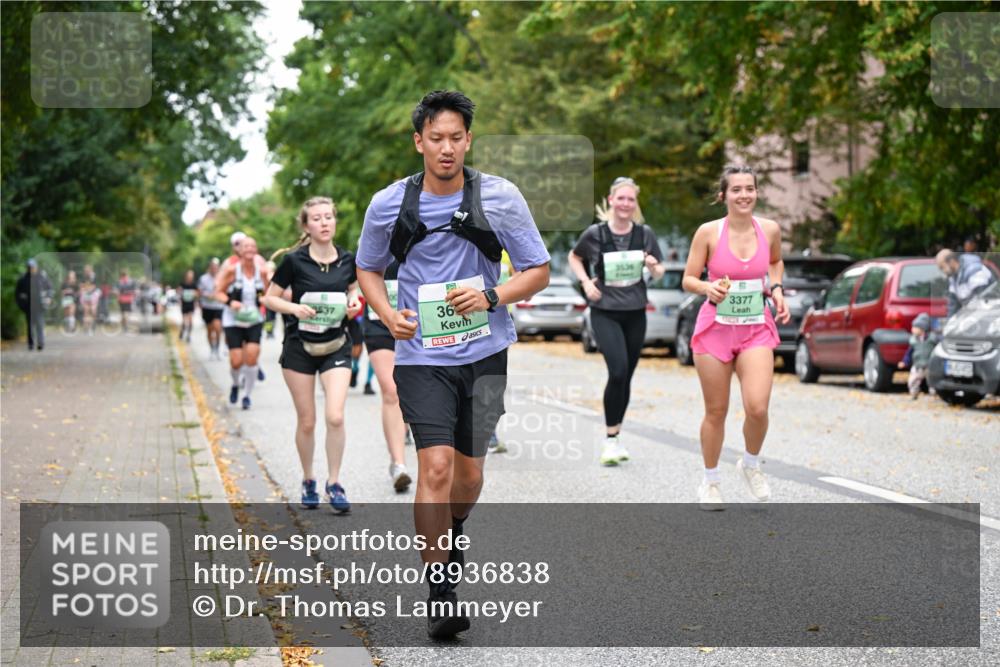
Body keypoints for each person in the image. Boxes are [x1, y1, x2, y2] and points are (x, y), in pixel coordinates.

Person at [356, 90, 550, 639]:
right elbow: (368, 267)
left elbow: (538, 269)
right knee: (435, 469)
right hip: (421, 357)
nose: (446, 148)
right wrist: (388, 313)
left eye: (456, 138)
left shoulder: (500, 197)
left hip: (485, 353)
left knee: (468, 475)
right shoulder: (389, 204)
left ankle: (454, 532)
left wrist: (492, 297)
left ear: (469, 140)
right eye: (435, 138)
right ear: (419, 142)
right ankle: (441, 591)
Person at [682, 165, 790, 511]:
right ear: (723, 195)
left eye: (750, 189)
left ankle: (751, 462)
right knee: (717, 411)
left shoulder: (770, 229)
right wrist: (706, 286)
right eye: (736, 189)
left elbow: (775, 262)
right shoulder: (709, 233)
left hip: (755, 326)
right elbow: (688, 278)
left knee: (757, 407)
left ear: (757, 193)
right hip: (715, 328)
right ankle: (710, 481)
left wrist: (776, 289)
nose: (744, 195)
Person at [262, 197, 361, 514]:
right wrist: (295, 307)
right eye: (316, 218)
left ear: (335, 221)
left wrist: (355, 303)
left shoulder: (348, 259)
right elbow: (270, 299)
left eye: (329, 217)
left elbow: (356, 290)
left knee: (335, 415)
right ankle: (308, 480)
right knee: (307, 421)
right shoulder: (293, 261)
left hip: (336, 344)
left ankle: (334, 483)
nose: (324, 222)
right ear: (306, 226)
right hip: (299, 347)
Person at [567, 177, 666, 466]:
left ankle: (616, 436)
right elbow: (575, 257)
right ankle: (610, 440)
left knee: (626, 376)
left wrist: (652, 266)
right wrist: (585, 282)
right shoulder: (595, 234)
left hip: (635, 312)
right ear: (611, 200)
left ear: (635, 204)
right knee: (618, 369)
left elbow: (659, 271)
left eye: (631, 200)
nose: (625, 204)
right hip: (605, 311)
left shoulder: (644, 234)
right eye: (621, 198)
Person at [360, 259, 412, 492]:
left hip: (416, 322)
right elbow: (357, 277)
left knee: (412, 393)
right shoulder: (374, 237)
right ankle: (398, 464)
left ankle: (407, 424)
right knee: (392, 391)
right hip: (379, 323)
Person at [215, 236, 269, 410]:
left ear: (256, 250)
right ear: (239, 250)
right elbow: (218, 292)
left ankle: (246, 395)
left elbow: (269, 292)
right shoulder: (232, 270)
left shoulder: (261, 271)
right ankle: (235, 383)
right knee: (236, 361)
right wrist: (231, 303)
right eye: (246, 246)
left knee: (252, 356)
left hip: (254, 319)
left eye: (253, 246)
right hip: (233, 320)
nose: (249, 249)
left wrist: (268, 280)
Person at [935, 249, 996, 317]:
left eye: (942, 267)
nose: (942, 272)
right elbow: (953, 305)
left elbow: (983, 301)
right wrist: (949, 324)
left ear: (951, 262)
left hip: (991, 314)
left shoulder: (974, 271)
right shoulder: (953, 277)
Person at [898, 312, 938, 400]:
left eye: (915, 327)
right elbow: (909, 353)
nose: (912, 329)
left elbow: (938, 349)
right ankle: (914, 393)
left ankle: (935, 394)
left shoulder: (932, 339)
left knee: (932, 381)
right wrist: (904, 362)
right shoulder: (913, 340)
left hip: (929, 365)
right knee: (913, 380)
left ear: (922, 329)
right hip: (918, 365)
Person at [15, 259, 52, 351]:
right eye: (29, 267)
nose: (31, 269)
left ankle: (40, 343)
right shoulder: (23, 279)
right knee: (30, 326)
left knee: (40, 324)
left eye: (32, 267)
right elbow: (18, 294)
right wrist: (21, 304)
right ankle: (31, 344)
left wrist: (49, 298)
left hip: (40, 306)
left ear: (36, 267)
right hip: (28, 306)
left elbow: (50, 288)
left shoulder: (42, 277)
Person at [198, 259, 225, 359]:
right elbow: (199, 292)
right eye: (213, 267)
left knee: (218, 328)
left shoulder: (222, 278)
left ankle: (217, 348)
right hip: (207, 307)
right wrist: (207, 295)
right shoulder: (203, 278)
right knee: (210, 330)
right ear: (210, 267)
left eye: (216, 267)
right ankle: (212, 349)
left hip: (218, 307)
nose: (214, 269)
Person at [80, 264, 101, 335]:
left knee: (93, 310)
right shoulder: (84, 277)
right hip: (86, 294)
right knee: (86, 311)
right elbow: (82, 286)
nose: (86, 272)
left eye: (88, 270)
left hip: (93, 294)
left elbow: (94, 286)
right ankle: (86, 328)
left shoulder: (94, 276)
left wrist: (88, 289)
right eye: (86, 271)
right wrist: (85, 289)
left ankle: (92, 326)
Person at [178, 269, 197, 342]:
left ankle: (189, 335)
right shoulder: (182, 284)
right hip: (184, 304)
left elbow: (198, 294)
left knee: (191, 322)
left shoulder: (194, 285)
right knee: (184, 322)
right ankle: (182, 332)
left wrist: (195, 294)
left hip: (191, 305)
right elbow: (179, 292)